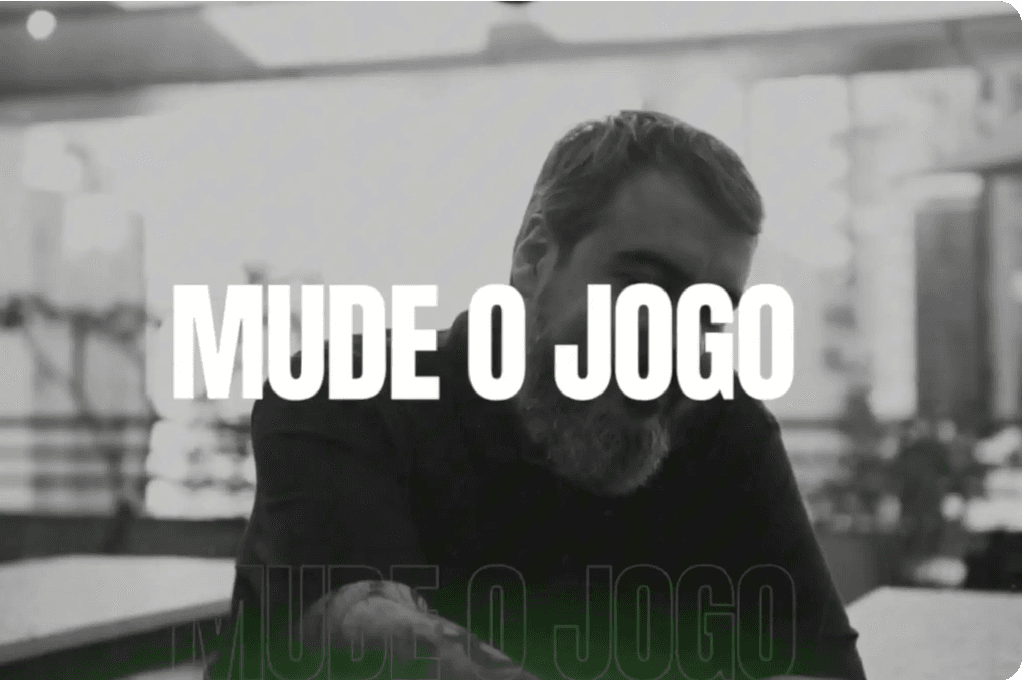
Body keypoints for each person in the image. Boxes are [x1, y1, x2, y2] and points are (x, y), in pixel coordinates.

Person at [205, 111, 866, 680]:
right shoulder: (346, 391)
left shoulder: (722, 426)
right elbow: (369, 629)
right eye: (644, 288)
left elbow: (815, 665)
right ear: (533, 257)